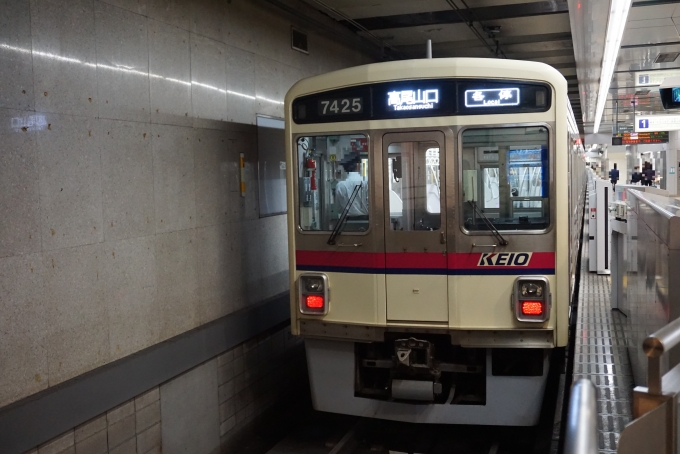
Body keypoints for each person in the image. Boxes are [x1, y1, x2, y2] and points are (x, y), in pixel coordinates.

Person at [335, 156, 369, 220]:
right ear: (358, 165)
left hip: (346, 223)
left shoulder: (340, 185)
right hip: (367, 222)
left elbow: (338, 208)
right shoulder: (366, 182)